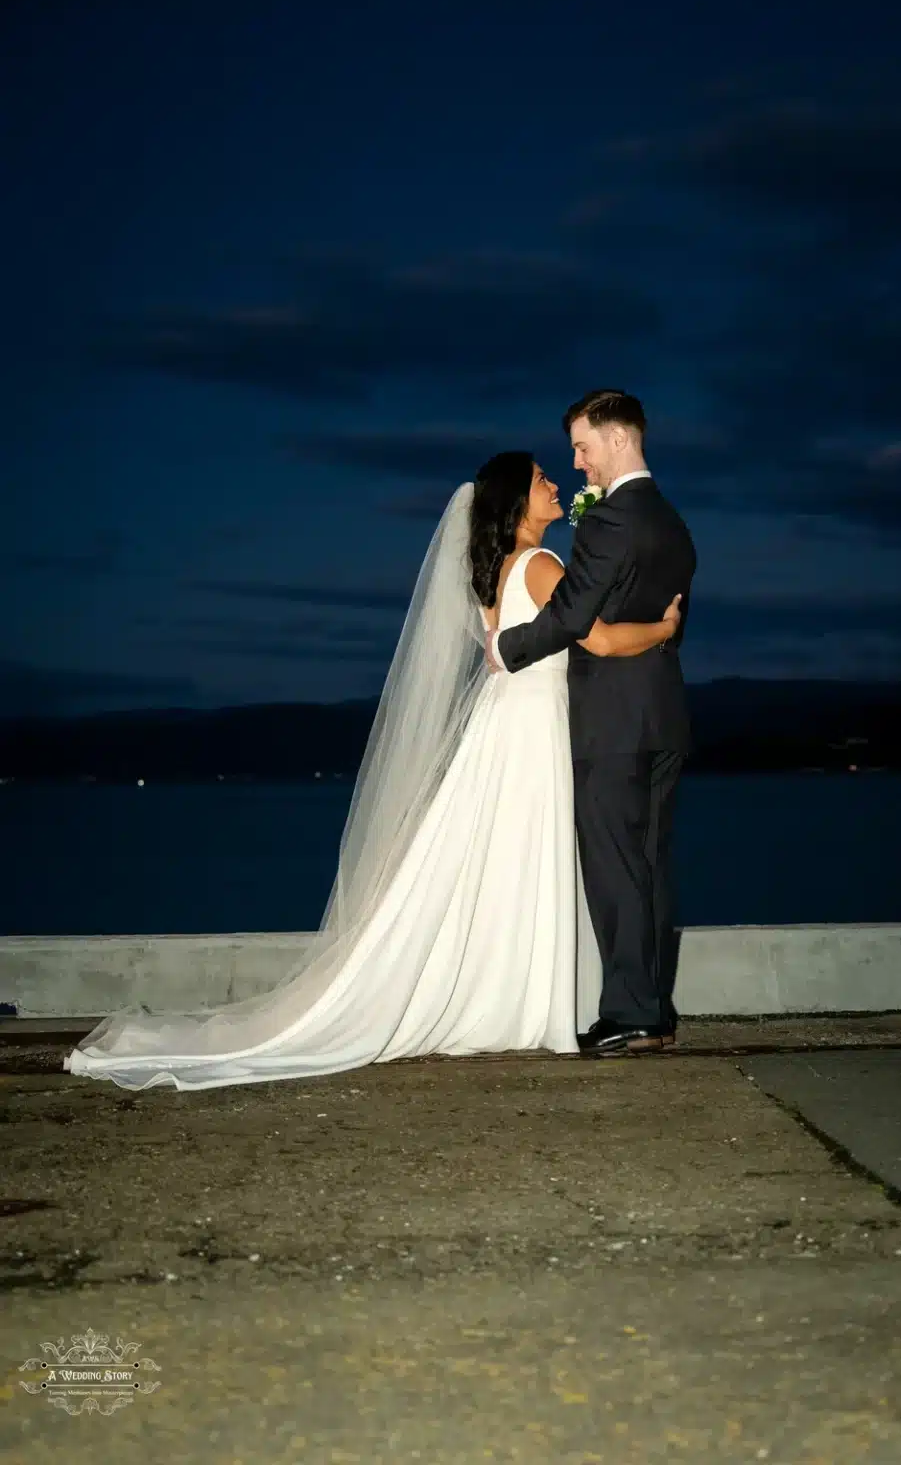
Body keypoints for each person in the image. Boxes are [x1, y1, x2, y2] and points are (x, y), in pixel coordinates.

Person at [63, 448, 680, 1090]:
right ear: (517, 502)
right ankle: (523, 998)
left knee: (495, 859)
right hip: (534, 729)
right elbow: (601, 639)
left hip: (502, 727)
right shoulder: (543, 566)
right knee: (527, 854)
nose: (555, 483)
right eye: (541, 479)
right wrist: (663, 627)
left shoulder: (494, 573)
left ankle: (507, 995)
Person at [487, 390, 697, 1057]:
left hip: (612, 721)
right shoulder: (671, 519)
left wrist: (507, 649)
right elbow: (663, 616)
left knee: (614, 865)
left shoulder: (610, 520)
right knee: (651, 865)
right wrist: (662, 631)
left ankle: (631, 1013)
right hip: (663, 712)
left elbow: (576, 616)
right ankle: (655, 1010)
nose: (577, 463)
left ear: (614, 439)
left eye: (581, 447)